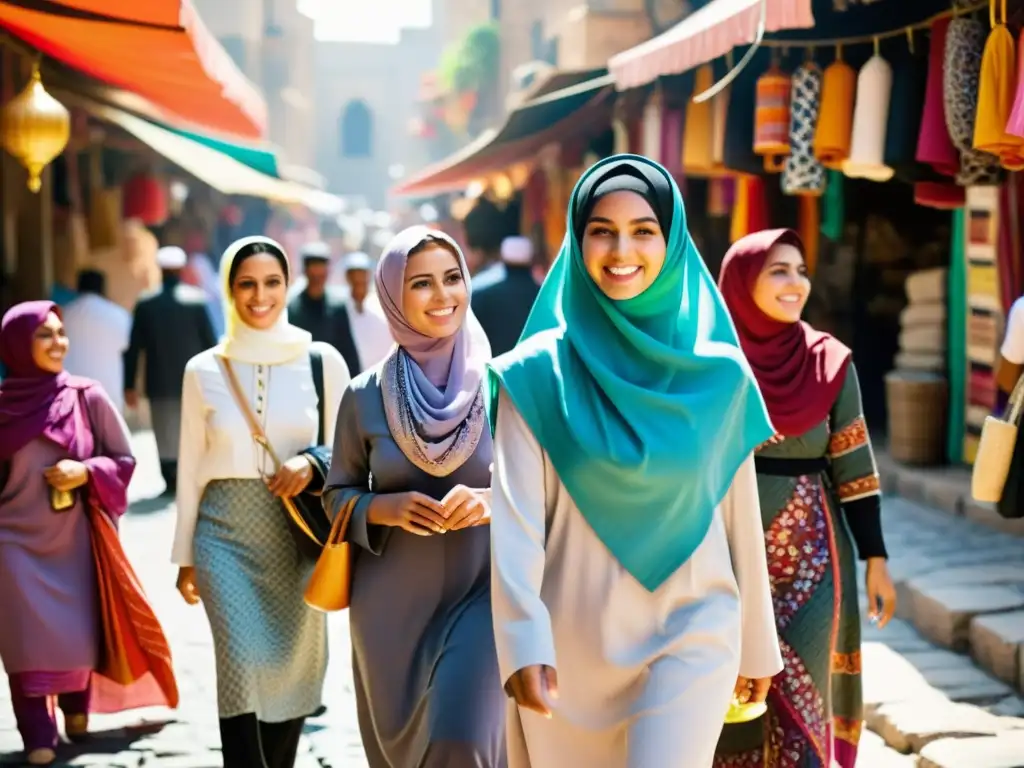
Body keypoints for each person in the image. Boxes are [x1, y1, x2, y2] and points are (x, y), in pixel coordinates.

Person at [486, 155, 783, 768]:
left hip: (694, 631)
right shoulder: (534, 375)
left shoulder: (719, 377)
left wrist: (757, 642)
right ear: (576, 238)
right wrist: (520, 643)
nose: (622, 248)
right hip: (572, 652)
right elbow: (514, 524)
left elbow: (739, 517)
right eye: (601, 229)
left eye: (644, 229)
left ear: (671, 240)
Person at [322, 226, 506, 767]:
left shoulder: (505, 385)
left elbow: (544, 488)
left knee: (462, 740)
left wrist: (492, 501)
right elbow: (336, 497)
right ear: (393, 297)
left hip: (483, 594)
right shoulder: (364, 395)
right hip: (389, 609)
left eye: (452, 278)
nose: (443, 295)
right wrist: (387, 508)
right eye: (421, 283)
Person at [715, 229, 897, 768]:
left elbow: (856, 473)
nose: (796, 283)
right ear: (742, 284)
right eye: (778, 270)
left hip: (814, 564)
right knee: (725, 701)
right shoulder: (714, 367)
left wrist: (877, 561)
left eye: (800, 270)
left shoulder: (831, 365)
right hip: (725, 560)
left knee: (803, 696)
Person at [172, 236, 350, 768]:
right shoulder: (203, 368)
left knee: (293, 665)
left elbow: (349, 453)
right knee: (239, 662)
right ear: (228, 289)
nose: (259, 296)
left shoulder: (322, 360)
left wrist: (311, 463)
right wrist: (185, 557)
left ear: (288, 285)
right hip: (222, 532)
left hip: (299, 533)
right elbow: (188, 469)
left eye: (272, 282)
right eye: (246, 283)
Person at [0, 301, 175, 766]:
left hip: (75, 541)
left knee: (76, 634)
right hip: (12, 543)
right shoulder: (2, 406)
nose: (58, 343)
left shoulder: (85, 396)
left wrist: (84, 471)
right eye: (45, 336)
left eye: (61, 333)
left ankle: (77, 709)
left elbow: (124, 459)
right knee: (24, 641)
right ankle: (37, 730)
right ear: (17, 344)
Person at [124, 246, 217, 493]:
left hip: (159, 380)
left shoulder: (146, 304)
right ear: (181, 269)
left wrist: (129, 385)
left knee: (164, 431)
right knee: (192, 429)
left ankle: (170, 479)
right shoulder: (197, 301)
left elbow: (134, 348)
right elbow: (211, 344)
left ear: (160, 269)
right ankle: (189, 477)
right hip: (194, 381)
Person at [61, 270, 133, 413]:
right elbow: (128, 347)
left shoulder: (64, 314)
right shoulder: (119, 315)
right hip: (108, 393)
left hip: (71, 394)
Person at [471, 236, 542, 357]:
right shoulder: (546, 296)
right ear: (532, 259)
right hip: (536, 370)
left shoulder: (482, 295)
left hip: (495, 369)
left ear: (502, 257)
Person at [339, 251, 393, 373]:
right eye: (355, 280)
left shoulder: (379, 310)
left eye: (363, 278)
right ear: (348, 278)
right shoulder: (340, 310)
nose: (359, 282)